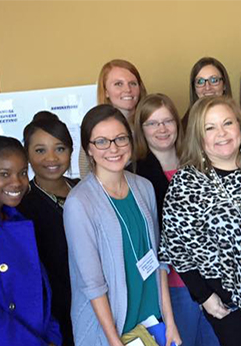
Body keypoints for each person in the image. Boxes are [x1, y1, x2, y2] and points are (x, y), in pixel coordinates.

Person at [158, 96, 241, 346]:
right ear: (199, 137)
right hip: (228, 303)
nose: (222, 133)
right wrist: (204, 296)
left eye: (228, 123)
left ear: (240, 128)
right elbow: (176, 249)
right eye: (210, 127)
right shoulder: (187, 183)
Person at [64, 104, 181, 346]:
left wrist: (170, 321)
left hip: (153, 321)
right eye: (102, 141)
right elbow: (92, 285)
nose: (113, 148)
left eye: (120, 139)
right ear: (89, 148)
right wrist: (114, 341)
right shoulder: (79, 203)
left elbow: (159, 261)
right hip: (111, 331)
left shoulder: (144, 187)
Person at [131, 94, 221, 346]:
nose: (162, 129)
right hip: (172, 285)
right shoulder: (135, 174)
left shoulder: (202, 164)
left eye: (168, 121)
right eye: (152, 123)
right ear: (141, 129)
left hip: (213, 279)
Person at [0, 135, 62, 345]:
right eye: (4, 174)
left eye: (22, 173)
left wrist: (53, 336)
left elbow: (38, 288)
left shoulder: (11, 212)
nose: (17, 182)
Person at [18, 111, 79, 346]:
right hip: (58, 316)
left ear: (71, 151)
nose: (51, 158)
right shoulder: (23, 206)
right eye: (40, 150)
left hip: (103, 304)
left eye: (60, 148)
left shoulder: (84, 189)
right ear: (27, 155)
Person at [181, 57, 233, 129]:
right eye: (200, 81)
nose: (207, 87)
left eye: (214, 80)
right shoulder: (183, 127)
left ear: (224, 85)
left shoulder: (239, 119)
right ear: (194, 88)